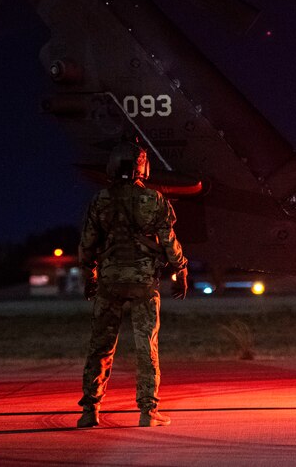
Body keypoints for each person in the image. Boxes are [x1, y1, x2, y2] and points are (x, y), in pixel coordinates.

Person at [76, 142, 189, 428]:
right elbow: (168, 242)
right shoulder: (154, 200)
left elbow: (87, 245)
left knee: (100, 348)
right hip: (143, 285)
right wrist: (181, 269)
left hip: (109, 283)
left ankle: (90, 411)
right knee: (146, 348)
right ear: (143, 167)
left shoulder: (100, 200)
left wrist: (88, 275)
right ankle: (148, 412)